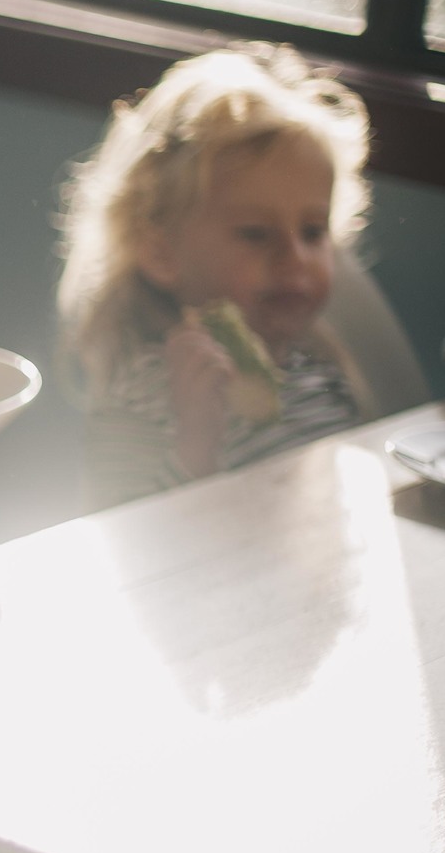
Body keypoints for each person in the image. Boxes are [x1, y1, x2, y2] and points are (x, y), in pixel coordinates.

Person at [59, 44, 372, 509]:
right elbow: (119, 548)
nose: (295, 258)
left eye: (312, 231)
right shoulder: (145, 398)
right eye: (256, 234)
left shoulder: (321, 376)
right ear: (162, 253)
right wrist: (195, 448)